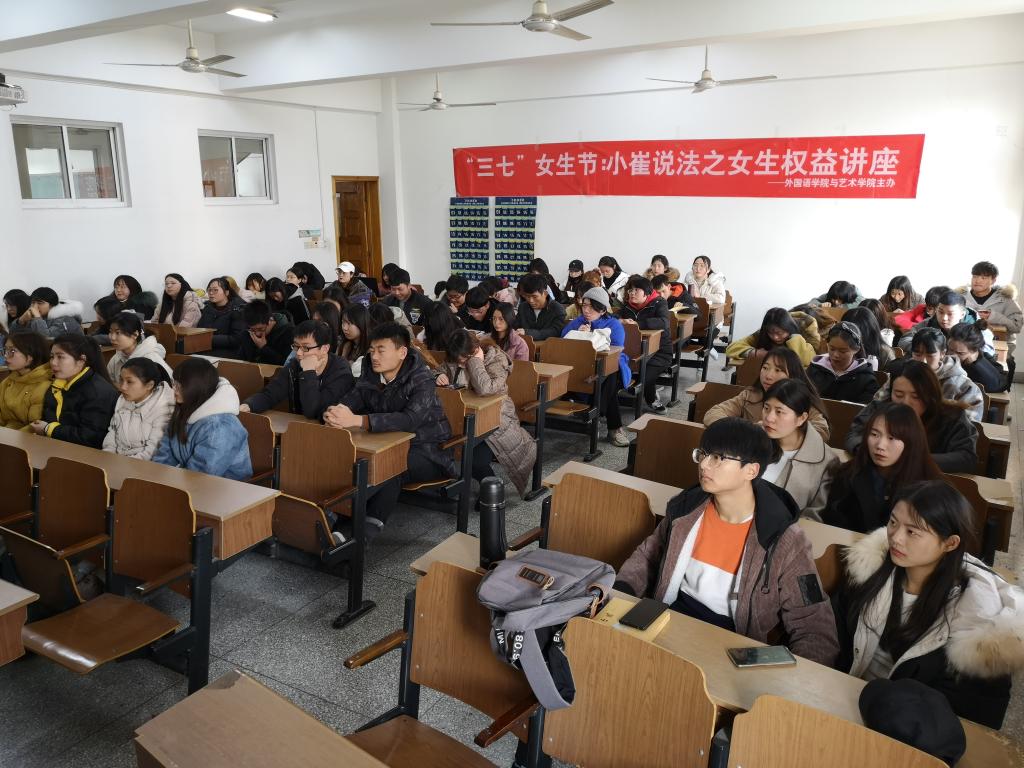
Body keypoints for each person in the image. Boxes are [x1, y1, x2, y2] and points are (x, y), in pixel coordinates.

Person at [614, 418, 839, 665]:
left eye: (718, 458)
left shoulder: (785, 539)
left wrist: (796, 679)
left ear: (751, 470)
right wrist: (620, 593)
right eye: (703, 454)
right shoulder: (686, 508)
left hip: (732, 641)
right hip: (671, 617)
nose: (704, 464)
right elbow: (647, 555)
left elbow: (814, 624)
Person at [833, 480, 1024, 729]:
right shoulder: (869, 570)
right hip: (845, 701)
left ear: (950, 543)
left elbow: (972, 719)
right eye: (893, 522)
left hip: (907, 729)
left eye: (912, 532)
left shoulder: (978, 626)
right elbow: (836, 635)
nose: (895, 538)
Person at [324, 323, 456, 533]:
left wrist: (359, 421)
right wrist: (338, 411)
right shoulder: (370, 367)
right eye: (371, 350)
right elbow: (358, 394)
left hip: (428, 450)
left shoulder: (421, 378)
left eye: (381, 350)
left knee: (389, 468)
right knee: (353, 461)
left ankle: (361, 534)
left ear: (402, 352)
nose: (374, 356)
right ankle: (333, 520)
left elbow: (410, 420)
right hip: (386, 443)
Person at [435, 330, 537, 497]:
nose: (460, 364)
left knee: (474, 459)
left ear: (475, 350)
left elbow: (485, 389)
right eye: (457, 360)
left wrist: (475, 362)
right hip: (465, 416)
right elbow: (438, 369)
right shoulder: (456, 357)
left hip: (496, 420)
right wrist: (438, 375)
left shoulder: (496, 359)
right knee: (444, 446)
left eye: (464, 360)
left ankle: (493, 490)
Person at [824, 403, 944, 532]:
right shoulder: (847, 474)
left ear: (911, 441)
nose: (880, 445)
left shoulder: (932, 489)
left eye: (891, 437)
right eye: (874, 434)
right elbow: (832, 523)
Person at [846, 361, 978, 474]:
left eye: (916, 397)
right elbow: (854, 436)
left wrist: (909, 458)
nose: (906, 403)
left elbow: (966, 458)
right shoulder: (879, 409)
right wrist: (872, 450)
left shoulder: (952, 417)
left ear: (930, 395)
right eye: (898, 395)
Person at [153, 357, 251, 480]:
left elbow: (202, 474)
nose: (174, 389)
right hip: (191, 482)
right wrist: (155, 479)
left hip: (226, 487)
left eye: (180, 385)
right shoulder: (182, 411)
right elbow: (164, 456)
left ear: (197, 387)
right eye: (174, 383)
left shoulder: (220, 426)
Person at [704, 347, 830, 440]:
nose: (768, 376)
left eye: (778, 370)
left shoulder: (803, 401)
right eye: (765, 368)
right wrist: (747, 430)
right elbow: (713, 414)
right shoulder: (750, 395)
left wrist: (779, 433)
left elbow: (822, 432)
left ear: (792, 375)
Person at [759, 379, 842, 520]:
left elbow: (815, 516)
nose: (769, 418)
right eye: (766, 408)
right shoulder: (752, 438)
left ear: (801, 418)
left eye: (779, 412)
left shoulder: (827, 461)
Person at [241, 320, 355, 421]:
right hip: (299, 428)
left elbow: (313, 411)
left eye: (305, 348)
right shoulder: (295, 365)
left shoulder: (341, 371)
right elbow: (270, 394)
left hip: (330, 431)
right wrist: (247, 406)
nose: (299, 353)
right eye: (296, 346)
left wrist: (308, 372)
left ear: (324, 348)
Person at [561, 286, 631, 447]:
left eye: (592, 307)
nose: (586, 310)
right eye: (584, 305)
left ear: (602, 309)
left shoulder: (613, 324)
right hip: (581, 366)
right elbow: (562, 343)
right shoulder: (578, 322)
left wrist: (591, 337)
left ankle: (596, 415)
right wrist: (580, 335)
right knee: (605, 385)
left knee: (609, 375)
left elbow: (615, 351)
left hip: (613, 366)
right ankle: (614, 428)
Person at [31, 334, 118, 448]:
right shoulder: (57, 385)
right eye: (52, 356)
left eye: (60, 357)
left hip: (86, 454)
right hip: (57, 447)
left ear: (81, 360)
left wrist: (48, 429)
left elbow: (91, 437)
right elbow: (48, 420)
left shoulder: (98, 392)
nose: (53, 362)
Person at [102, 358, 175, 460]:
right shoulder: (123, 399)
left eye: (129, 382)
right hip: (118, 461)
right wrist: (108, 455)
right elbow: (113, 431)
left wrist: (121, 464)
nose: (122, 387)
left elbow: (153, 451)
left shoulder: (164, 407)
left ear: (149, 385)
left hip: (144, 465)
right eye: (121, 380)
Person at [619, 275, 673, 412]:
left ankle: (652, 400)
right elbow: (614, 316)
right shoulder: (628, 306)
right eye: (630, 290)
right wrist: (620, 321)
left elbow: (664, 322)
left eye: (636, 290)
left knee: (645, 375)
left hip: (660, 351)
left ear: (647, 292)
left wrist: (637, 324)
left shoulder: (659, 302)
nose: (632, 293)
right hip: (634, 350)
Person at [806, 321, 880, 404]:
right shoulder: (815, 369)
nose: (835, 355)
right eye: (832, 349)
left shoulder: (866, 379)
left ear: (856, 350)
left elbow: (868, 408)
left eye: (842, 351)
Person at [958, 260, 1023, 355]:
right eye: (975, 276)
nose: (977, 281)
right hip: (964, 349)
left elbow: (1017, 327)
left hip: (998, 351)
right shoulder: (960, 297)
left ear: (993, 280)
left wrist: (994, 317)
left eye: (983, 278)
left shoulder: (1006, 299)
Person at [726, 307, 816, 366]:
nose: (775, 337)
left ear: (788, 328)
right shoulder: (762, 334)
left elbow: (808, 360)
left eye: (779, 333)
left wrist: (795, 339)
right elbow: (732, 348)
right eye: (770, 332)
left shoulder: (803, 332)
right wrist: (756, 353)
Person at [0, 332, 52, 431]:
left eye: (12, 351)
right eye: (5, 350)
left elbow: (35, 426)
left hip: (26, 437)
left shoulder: (44, 385)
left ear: (30, 356)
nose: (5, 356)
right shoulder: (8, 381)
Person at [106, 311, 174, 381]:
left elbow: (170, 384)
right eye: (111, 332)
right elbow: (107, 382)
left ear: (135, 334)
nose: (112, 337)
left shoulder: (151, 358)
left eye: (118, 333)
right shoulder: (117, 357)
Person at [948, 322, 1008, 394]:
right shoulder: (941, 352)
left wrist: (975, 363)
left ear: (974, 352)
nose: (952, 355)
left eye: (960, 353)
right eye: (950, 349)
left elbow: (998, 385)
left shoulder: (980, 359)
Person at [198, 277, 247, 357]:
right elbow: (199, 329)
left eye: (215, 290)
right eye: (209, 290)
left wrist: (209, 339)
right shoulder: (208, 308)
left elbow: (236, 339)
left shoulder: (238, 309)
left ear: (226, 292)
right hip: (206, 347)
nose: (211, 293)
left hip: (231, 351)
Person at [239, 300, 294, 366]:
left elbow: (286, 363)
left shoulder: (288, 333)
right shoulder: (247, 332)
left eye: (260, 329)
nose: (257, 333)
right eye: (253, 330)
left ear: (270, 320)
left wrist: (263, 347)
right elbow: (243, 360)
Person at [12, 287, 83, 337]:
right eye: (33, 303)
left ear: (52, 305)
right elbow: (14, 335)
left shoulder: (65, 319)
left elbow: (47, 339)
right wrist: (21, 320)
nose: (35, 307)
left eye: (40, 303)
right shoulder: (36, 318)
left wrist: (37, 318)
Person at [516, 273, 567, 340]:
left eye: (534, 296)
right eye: (527, 296)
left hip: (548, 345)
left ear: (545, 293)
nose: (531, 300)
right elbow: (516, 326)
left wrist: (527, 333)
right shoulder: (523, 307)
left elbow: (555, 332)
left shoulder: (557, 309)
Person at [340, 303, 371, 377]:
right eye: (343, 322)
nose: (344, 328)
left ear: (361, 323)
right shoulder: (347, 345)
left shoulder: (371, 348)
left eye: (349, 323)